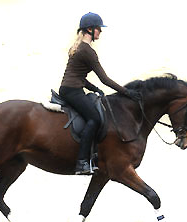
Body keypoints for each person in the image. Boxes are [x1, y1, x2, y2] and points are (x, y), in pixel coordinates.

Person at [59, 12, 139, 175]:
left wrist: (93, 89)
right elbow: (105, 79)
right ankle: (82, 162)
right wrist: (127, 92)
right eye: (99, 29)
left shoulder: (78, 47)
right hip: (73, 91)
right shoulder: (87, 51)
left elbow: (78, 76)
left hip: (70, 88)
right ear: (90, 29)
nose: (100, 32)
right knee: (94, 118)